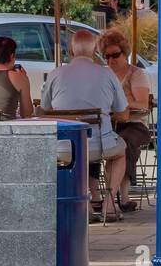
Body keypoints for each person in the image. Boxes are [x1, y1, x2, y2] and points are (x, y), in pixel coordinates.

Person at [42, 28, 129, 221]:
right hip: (100, 145)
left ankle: (85, 206)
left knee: (75, 157)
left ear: (71, 52)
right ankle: (109, 204)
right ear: (94, 51)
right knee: (120, 152)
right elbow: (123, 114)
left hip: (64, 148)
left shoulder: (55, 74)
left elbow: (44, 110)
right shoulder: (107, 75)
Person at [99, 28, 152, 212]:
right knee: (93, 141)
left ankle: (124, 194)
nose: (111, 60)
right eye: (107, 57)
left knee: (125, 143)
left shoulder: (136, 74)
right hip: (110, 123)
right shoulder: (103, 74)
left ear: (125, 53)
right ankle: (100, 196)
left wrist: (122, 104)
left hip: (134, 123)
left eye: (115, 55)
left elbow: (143, 103)